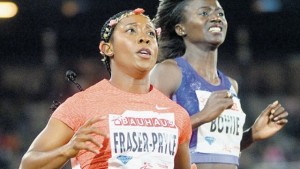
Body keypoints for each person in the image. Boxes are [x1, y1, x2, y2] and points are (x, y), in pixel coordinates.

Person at [19, 8, 195, 169]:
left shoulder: (177, 115)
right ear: (107, 48)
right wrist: (67, 150)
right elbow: (27, 165)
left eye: (151, 33)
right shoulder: (81, 105)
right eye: (131, 30)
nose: (145, 38)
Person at [150, 0, 289, 169]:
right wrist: (203, 116)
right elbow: (150, 134)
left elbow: (218, 150)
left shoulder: (231, 85)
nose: (216, 18)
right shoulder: (169, 72)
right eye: (204, 13)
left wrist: (251, 135)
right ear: (181, 28)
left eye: (220, 13)